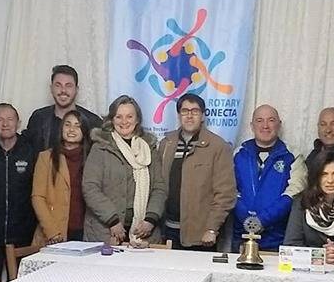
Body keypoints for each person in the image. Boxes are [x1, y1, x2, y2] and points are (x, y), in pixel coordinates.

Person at [82, 95, 167, 247]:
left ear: (137, 119)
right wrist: (112, 220)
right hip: (105, 231)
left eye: (129, 116)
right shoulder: (100, 148)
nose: (124, 121)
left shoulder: (149, 149)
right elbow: (90, 188)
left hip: (144, 233)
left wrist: (150, 219)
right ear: (112, 119)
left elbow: (159, 188)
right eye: (119, 116)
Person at [157, 94, 236, 251]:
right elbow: (158, 186)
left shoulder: (218, 147)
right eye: (185, 111)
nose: (189, 116)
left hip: (201, 235)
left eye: (195, 111)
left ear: (203, 116)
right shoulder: (167, 144)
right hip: (168, 230)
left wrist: (212, 228)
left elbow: (225, 194)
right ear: (179, 115)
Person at [232, 105, 306, 252]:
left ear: (279, 124)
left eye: (271, 120)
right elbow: (229, 190)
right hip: (242, 239)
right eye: (259, 120)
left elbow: (294, 193)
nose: (265, 126)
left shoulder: (292, 155)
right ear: (252, 126)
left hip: (278, 241)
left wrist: (263, 220)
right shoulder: (239, 154)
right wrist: (247, 219)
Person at [0, 103, 38, 280]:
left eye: (10, 119)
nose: (5, 124)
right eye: (0, 120)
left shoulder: (31, 150)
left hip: (23, 231)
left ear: (18, 123)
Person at [32, 110, 91, 244]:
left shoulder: (91, 158)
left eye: (77, 126)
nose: (71, 129)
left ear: (84, 131)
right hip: (54, 232)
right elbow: (37, 197)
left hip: (85, 232)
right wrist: (52, 232)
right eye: (67, 124)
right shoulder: (46, 157)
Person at [26, 64, 103, 150]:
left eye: (68, 86)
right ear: (51, 88)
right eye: (58, 85)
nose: (63, 90)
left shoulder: (93, 122)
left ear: (76, 89)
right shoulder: (38, 118)